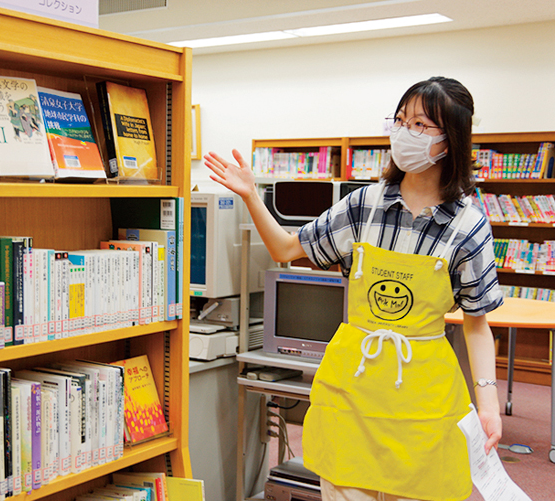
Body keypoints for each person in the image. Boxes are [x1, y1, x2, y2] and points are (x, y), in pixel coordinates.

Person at [204, 76, 503, 501]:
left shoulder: (468, 225)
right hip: (354, 390)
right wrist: (252, 196)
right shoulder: (364, 205)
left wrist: (488, 405)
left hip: (422, 399)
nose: (404, 132)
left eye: (420, 125)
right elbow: (287, 248)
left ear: (449, 139)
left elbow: (476, 324)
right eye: (400, 120)